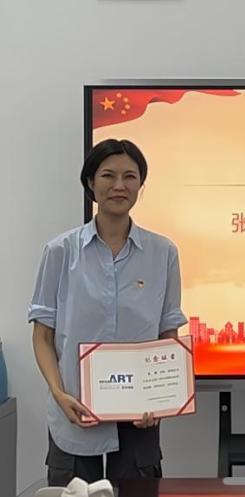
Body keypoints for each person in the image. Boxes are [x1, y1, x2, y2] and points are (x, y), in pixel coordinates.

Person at [28, 139, 187, 485]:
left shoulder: (163, 253)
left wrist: (162, 398)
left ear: (141, 185)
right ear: (90, 182)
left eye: (130, 176)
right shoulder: (60, 251)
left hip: (140, 415)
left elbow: (168, 333)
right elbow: (42, 335)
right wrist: (58, 393)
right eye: (108, 175)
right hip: (74, 410)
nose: (119, 185)